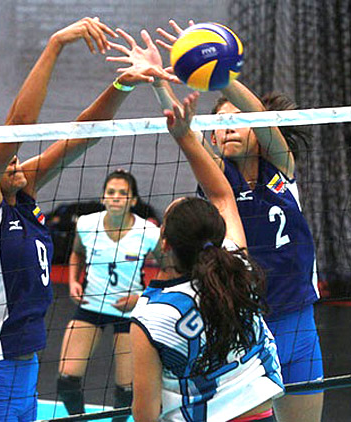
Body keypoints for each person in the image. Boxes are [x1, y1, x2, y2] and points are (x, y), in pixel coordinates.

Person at [0, 18, 175, 422]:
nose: (12, 157)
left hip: (24, 369)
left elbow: (84, 134)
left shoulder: (23, 191)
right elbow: (18, 126)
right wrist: (55, 44)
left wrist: (126, 83)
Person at [133, 20, 322, 422]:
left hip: (299, 321)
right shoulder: (220, 181)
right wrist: (159, 83)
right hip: (248, 325)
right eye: (219, 125)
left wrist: (222, 74)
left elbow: (262, 119)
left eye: (237, 120)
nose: (229, 127)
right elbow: (185, 133)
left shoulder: (281, 169)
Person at [130, 91, 284, 421]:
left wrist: (180, 126)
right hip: (261, 414)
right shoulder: (236, 267)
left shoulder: (150, 315)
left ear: (165, 243)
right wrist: (184, 135)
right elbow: (222, 194)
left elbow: (145, 413)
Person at [57, 169, 160, 421]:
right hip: (91, 306)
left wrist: (142, 298)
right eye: (111, 192)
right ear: (103, 197)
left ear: (133, 200)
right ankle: (79, 419)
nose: (115, 197)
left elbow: (169, 270)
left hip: (129, 313)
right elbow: (76, 254)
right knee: (66, 380)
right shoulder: (86, 224)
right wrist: (73, 281)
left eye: (123, 193)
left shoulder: (148, 232)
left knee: (126, 390)